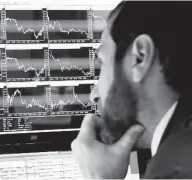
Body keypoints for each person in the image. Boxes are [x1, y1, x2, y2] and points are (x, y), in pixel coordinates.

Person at [71, 1, 192, 179]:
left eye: (102, 62)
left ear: (140, 58)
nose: (93, 95)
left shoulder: (173, 169)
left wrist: (101, 177)